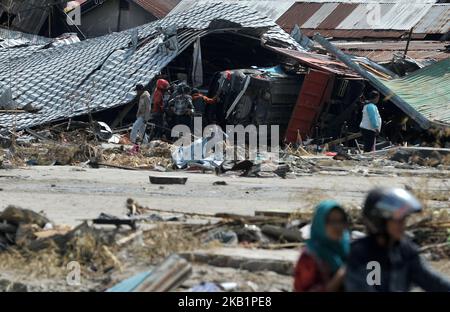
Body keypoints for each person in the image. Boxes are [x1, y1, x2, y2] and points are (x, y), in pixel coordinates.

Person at [345, 188, 450, 292]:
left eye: (404, 219)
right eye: (397, 220)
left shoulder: (405, 250)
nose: (402, 225)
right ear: (379, 220)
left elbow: (432, 281)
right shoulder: (361, 254)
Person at [294, 200, 350, 292]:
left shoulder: (347, 248)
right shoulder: (309, 257)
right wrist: (339, 277)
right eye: (332, 221)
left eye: (341, 221)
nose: (337, 226)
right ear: (320, 223)